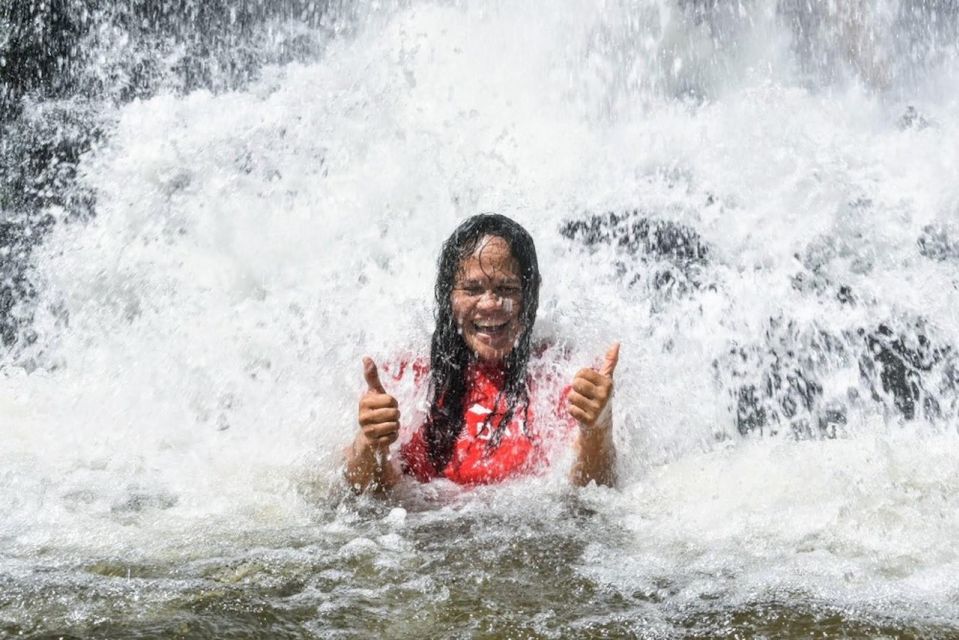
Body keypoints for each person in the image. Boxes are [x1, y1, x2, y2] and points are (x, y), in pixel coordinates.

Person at [345, 213, 619, 493]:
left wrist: (597, 429)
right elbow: (360, 493)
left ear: (531, 293)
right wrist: (368, 444)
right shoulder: (409, 381)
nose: (490, 304)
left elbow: (592, 496)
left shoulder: (560, 380)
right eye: (472, 289)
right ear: (448, 295)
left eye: (507, 288)